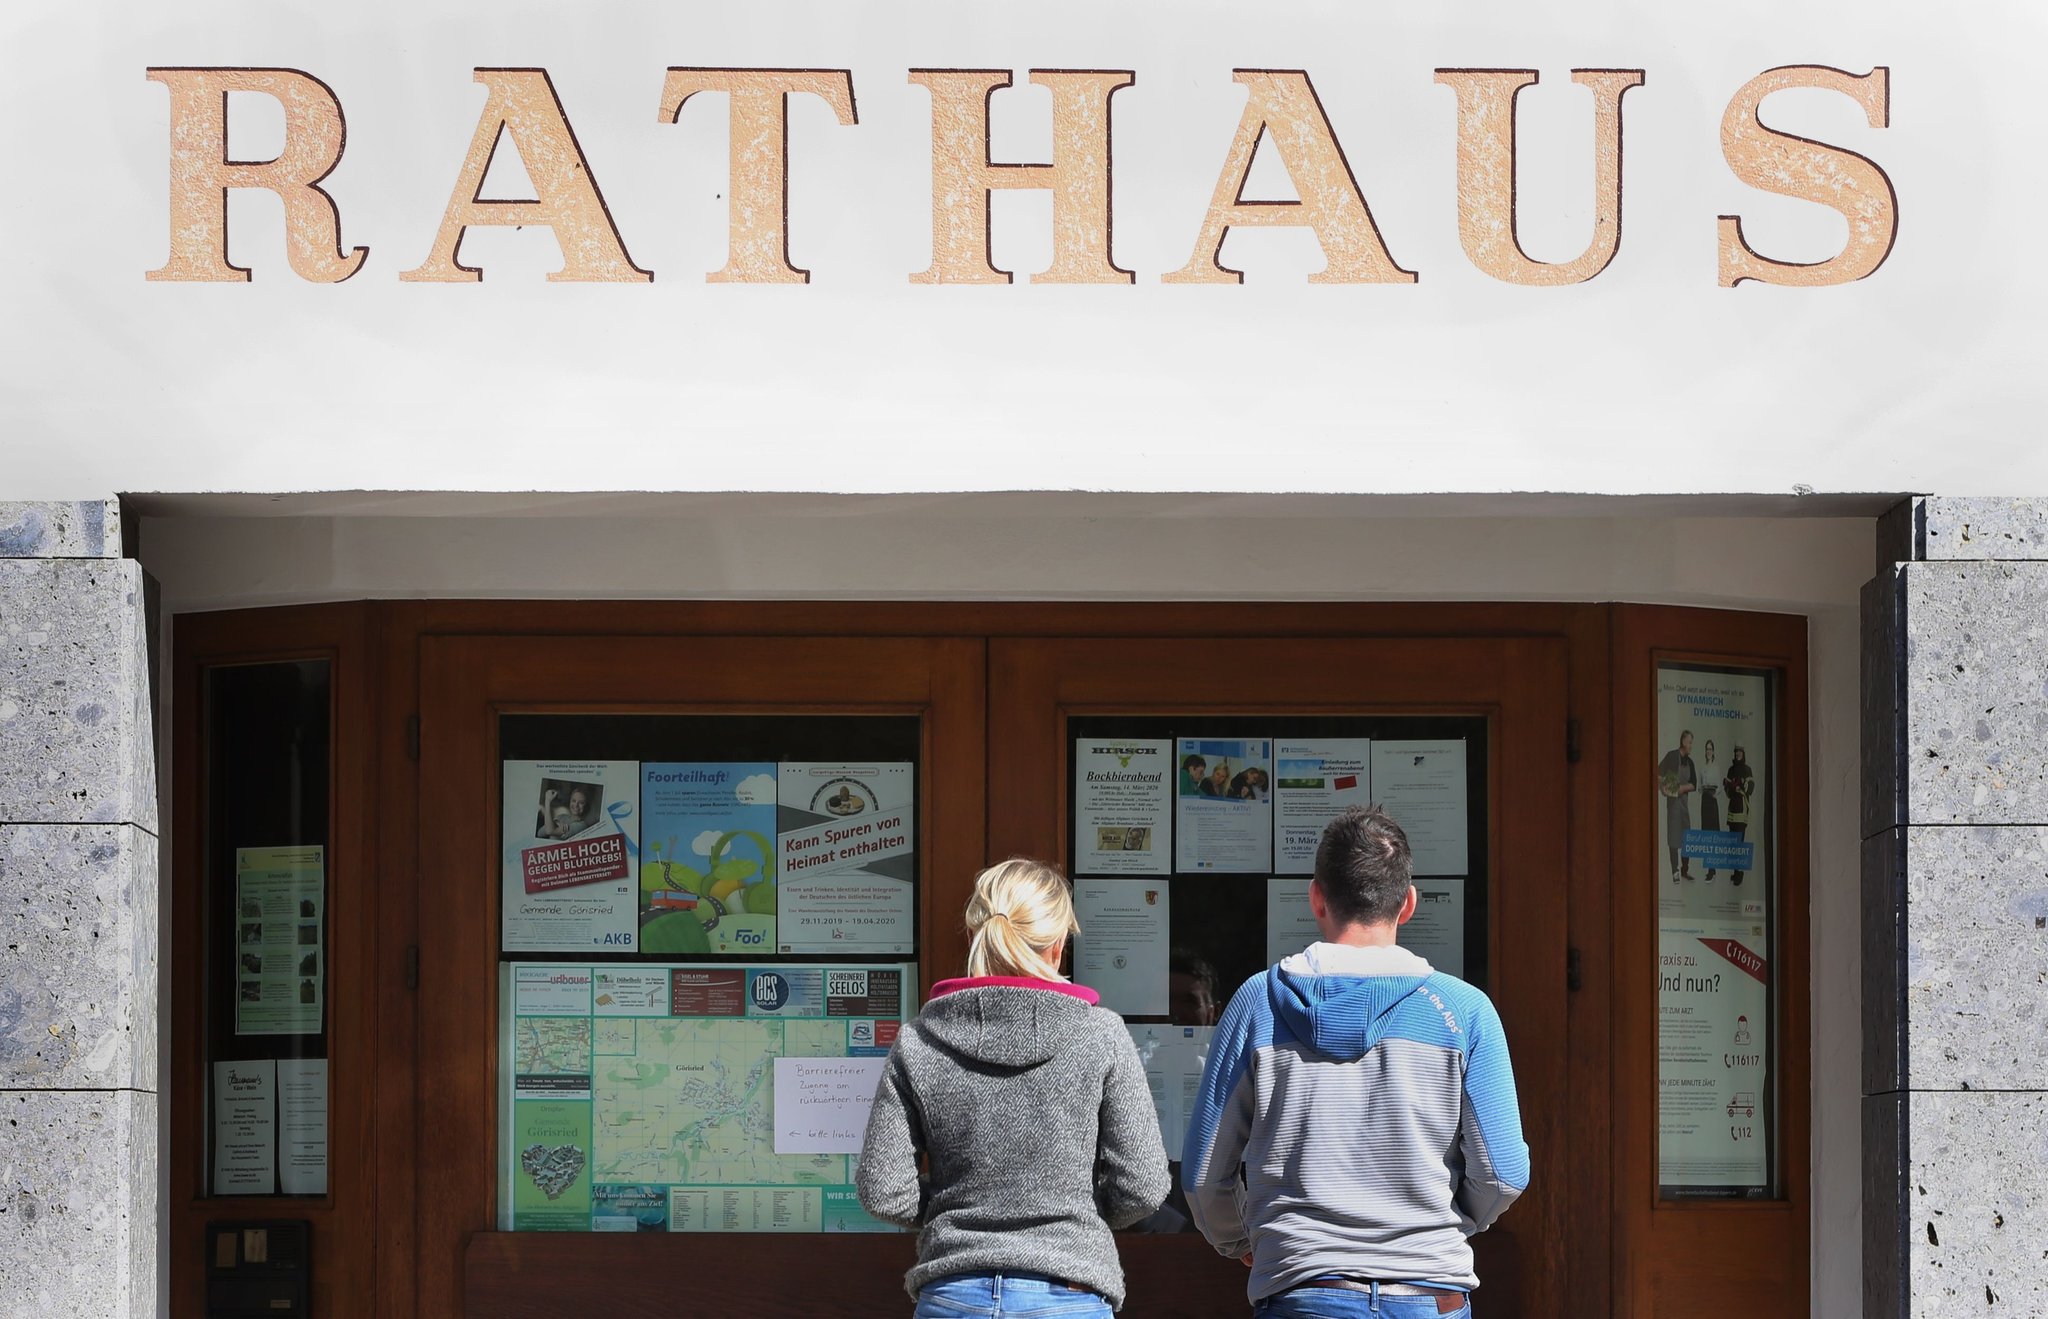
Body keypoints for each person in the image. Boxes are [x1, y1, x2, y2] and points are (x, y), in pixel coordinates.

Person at [1182, 806, 1528, 1317]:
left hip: (1304, 1288)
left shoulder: (1259, 1004)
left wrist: (1243, 1241)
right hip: (1429, 1293)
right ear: (1407, 903)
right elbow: (1502, 1175)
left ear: (1317, 898)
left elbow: (1204, 1177)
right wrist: (1441, 1224)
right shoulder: (1463, 1011)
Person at [858, 859, 1169, 1317]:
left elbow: (884, 1191)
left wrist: (952, 1213)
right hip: (1068, 1292)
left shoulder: (920, 1040)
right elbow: (1142, 1186)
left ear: (972, 935)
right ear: (1058, 946)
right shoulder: (1100, 1034)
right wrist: (1077, 1216)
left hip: (954, 1292)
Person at [1656, 731, 1697, 882]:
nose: (1691, 746)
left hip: (1684, 806)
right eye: (1690, 742)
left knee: (1687, 838)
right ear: (1684, 742)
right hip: (1673, 805)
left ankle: (1685, 870)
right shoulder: (1672, 756)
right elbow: (1657, 773)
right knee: (1673, 838)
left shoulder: (1690, 762)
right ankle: (1675, 872)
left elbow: (1694, 784)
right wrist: (1665, 786)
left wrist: (1682, 788)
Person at [1723, 745, 1756, 886]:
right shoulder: (1731, 770)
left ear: (1744, 753)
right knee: (1733, 844)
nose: (1737, 754)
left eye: (1740, 752)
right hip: (1732, 811)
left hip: (1742, 811)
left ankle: (1740, 874)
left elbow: (1750, 788)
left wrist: (1739, 787)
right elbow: (1727, 790)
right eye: (1735, 751)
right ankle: (1736, 872)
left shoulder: (1747, 769)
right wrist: (1730, 786)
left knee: (1740, 844)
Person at [1698, 740, 1721, 880]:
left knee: (1713, 835)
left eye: (1710, 749)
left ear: (1713, 751)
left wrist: (1714, 793)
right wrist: (1702, 789)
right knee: (1706, 836)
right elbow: (1699, 786)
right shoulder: (1702, 767)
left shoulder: (1716, 767)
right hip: (1704, 802)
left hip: (1712, 802)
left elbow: (1720, 787)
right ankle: (1710, 868)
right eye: (1707, 749)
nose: (1708, 751)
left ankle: (1712, 869)